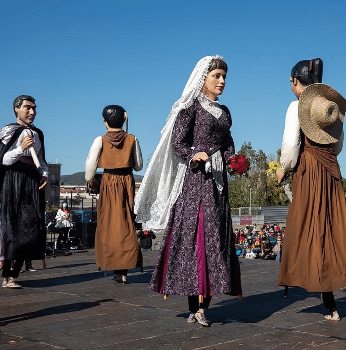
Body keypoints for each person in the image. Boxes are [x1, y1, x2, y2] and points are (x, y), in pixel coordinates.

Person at [135, 56, 242, 326]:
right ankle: (195, 305)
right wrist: (195, 154)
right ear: (203, 78)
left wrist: (234, 160)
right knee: (197, 237)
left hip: (217, 183)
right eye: (216, 76)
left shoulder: (224, 112)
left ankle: (204, 303)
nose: (222, 81)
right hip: (195, 182)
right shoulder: (189, 108)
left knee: (215, 238)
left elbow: (227, 142)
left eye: (224, 77)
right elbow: (178, 144)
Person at [276, 58, 346, 321]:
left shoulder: (296, 108)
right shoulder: (330, 110)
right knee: (330, 230)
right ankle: (330, 301)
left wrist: (283, 168)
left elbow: (291, 146)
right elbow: (337, 147)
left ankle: (320, 288)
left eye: (292, 83)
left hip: (310, 170)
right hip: (333, 173)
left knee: (307, 228)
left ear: (296, 82)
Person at [85, 105, 143, 284]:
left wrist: (92, 181)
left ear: (104, 122)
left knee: (109, 225)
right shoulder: (132, 139)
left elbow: (89, 172)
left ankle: (116, 269)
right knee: (125, 224)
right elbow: (138, 166)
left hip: (109, 183)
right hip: (126, 182)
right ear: (124, 119)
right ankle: (123, 270)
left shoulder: (99, 140)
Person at [0, 95, 48, 288]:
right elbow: (3, 159)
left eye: (34, 108)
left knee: (31, 226)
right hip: (12, 181)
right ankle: (8, 276)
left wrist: (44, 174)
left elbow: (42, 160)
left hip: (31, 181)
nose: (32, 112)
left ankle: (15, 272)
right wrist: (20, 148)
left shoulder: (38, 134)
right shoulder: (7, 131)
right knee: (12, 227)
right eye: (27, 108)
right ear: (16, 109)